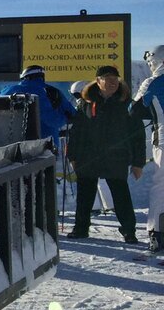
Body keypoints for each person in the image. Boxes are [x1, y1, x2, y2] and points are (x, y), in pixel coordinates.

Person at [66, 66, 146, 243]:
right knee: (85, 194)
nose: (112, 82)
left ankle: (129, 231)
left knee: (121, 194)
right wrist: (72, 156)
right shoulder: (86, 103)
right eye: (108, 78)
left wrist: (138, 163)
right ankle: (80, 229)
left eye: (115, 79)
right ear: (98, 81)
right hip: (88, 157)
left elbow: (138, 136)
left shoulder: (127, 104)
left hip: (116, 157)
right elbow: (77, 132)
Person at [0, 65, 75, 150]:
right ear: (42, 76)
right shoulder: (52, 91)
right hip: (46, 146)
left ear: (24, 77)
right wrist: (64, 118)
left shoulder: (9, 90)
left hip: (12, 146)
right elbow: (61, 118)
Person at [66, 79, 114, 215]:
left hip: (87, 148)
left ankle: (94, 206)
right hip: (98, 146)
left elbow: (79, 127)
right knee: (100, 177)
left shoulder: (85, 105)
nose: (76, 98)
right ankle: (108, 204)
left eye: (77, 95)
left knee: (88, 178)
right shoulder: (96, 102)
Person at [136, 45, 164, 251]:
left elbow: (134, 109)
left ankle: (157, 233)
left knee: (160, 186)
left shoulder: (153, 82)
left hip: (163, 140)